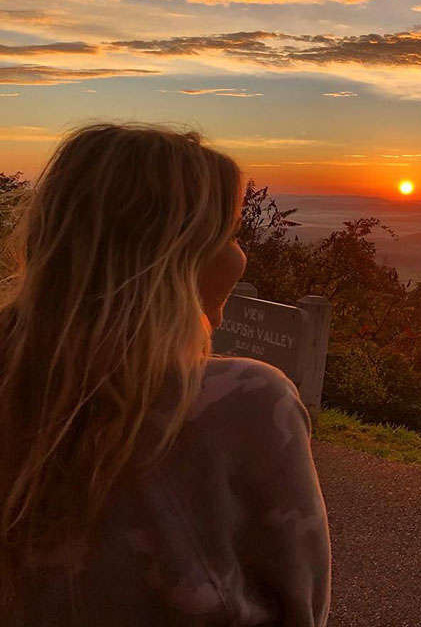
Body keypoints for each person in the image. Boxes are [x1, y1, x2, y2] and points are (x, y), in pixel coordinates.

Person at [0, 123, 331, 626]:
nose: (240, 254)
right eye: (232, 234)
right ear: (179, 255)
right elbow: (299, 608)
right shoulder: (247, 402)